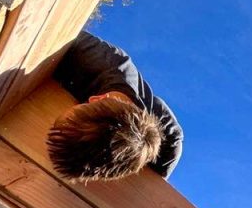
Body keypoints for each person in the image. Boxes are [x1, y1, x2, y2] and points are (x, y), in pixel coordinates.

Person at [47, 31, 183, 181]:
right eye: (82, 105)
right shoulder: (92, 55)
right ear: (96, 99)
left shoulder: (160, 149)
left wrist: (154, 181)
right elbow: (175, 136)